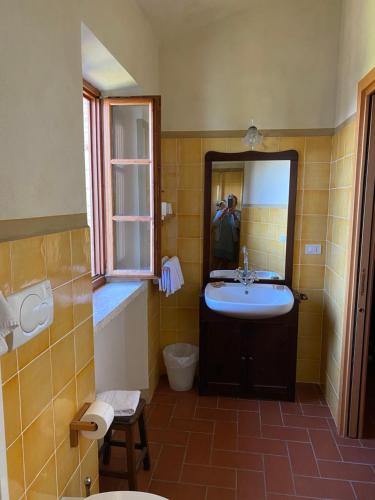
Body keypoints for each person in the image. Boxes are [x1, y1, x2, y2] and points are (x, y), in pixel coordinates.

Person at [212, 194, 241, 269]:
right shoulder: (220, 212)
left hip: (230, 243)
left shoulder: (238, 213)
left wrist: (233, 214)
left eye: (232, 201)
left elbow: (238, 226)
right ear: (226, 202)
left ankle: (222, 279)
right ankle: (215, 278)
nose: (230, 203)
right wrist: (222, 214)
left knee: (226, 263)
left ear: (235, 203)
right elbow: (214, 224)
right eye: (229, 201)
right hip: (220, 241)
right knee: (216, 261)